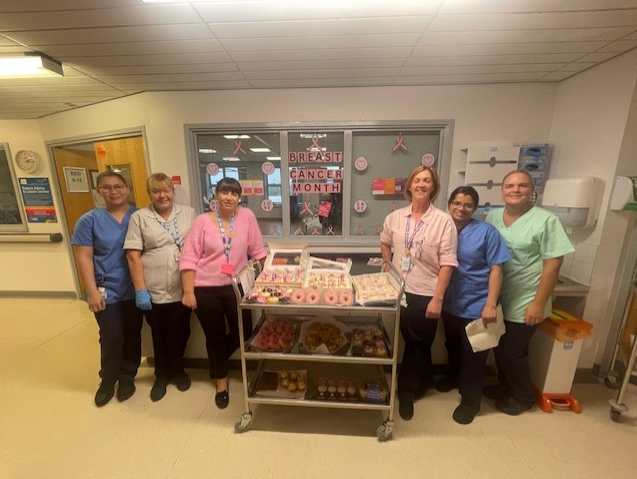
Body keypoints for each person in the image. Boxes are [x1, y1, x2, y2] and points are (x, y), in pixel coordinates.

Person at [485, 170, 574, 415]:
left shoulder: (546, 221)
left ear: (532, 189)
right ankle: (505, 386)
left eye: (522, 186)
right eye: (510, 186)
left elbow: (553, 266)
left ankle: (523, 397)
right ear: (502, 191)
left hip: (527, 297)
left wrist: (538, 303)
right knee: (499, 346)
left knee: (514, 351)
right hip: (500, 295)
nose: (515, 190)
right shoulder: (492, 217)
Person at [179, 177, 267, 409]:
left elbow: (257, 249)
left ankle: (217, 361)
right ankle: (222, 382)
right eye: (224, 192)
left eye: (234, 193)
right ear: (216, 195)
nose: (229, 197)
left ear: (240, 197)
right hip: (205, 287)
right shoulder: (202, 222)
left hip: (236, 286)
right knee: (215, 336)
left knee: (245, 331)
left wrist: (268, 277)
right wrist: (188, 291)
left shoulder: (246, 217)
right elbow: (189, 257)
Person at [380, 165, 458, 421]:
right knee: (412, 339)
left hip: (426, 291)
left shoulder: (443, 220)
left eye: (427, 181)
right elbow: (385, 240)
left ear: (433, 187)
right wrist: (387, 263)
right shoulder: (396, 216)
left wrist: (438, 298)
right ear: (410, 186)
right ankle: (424, 381)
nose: (421, 185)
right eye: (417, 180)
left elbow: (447, 262)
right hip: (400, 288)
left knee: (417, 342)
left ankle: (407, 392)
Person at [440, 186, 511, 424]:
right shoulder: (443, 227)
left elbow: (496, 268)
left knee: (474, 355)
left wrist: (490, 304)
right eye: (457, 203)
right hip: (449, 302)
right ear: (449, 204)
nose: (461, 208)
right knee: (452, 346)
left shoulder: (486, 232)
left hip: (477, 303)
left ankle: (471, 402)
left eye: (468, 205)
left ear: (475, 208)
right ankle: (452, 378)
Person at [71, 171, 143, 407]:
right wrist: (91, 292)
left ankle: (127, 377)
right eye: (107, 187)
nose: (113, 191)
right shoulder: (88, 220)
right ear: (99, 191)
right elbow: (83, 257)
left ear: (127, 189)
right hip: (105, 289)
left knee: (133, 333)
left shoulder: (139, 216)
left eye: (119, 186)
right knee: (111, 335)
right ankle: (107, 379)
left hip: (136, 288)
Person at [124, 173, 196, 402]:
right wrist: (140, 290)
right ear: (150, 194)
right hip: (153, 287)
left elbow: (196, 246)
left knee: (182, 330)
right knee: (158, 332)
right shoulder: (140, 217)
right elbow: (133, 255)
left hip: (182, 284)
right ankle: (161, 375)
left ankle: (178, 369)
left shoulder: (189, 213)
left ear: (173, 191)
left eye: (166, 190)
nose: (162, 195)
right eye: (156, 191)